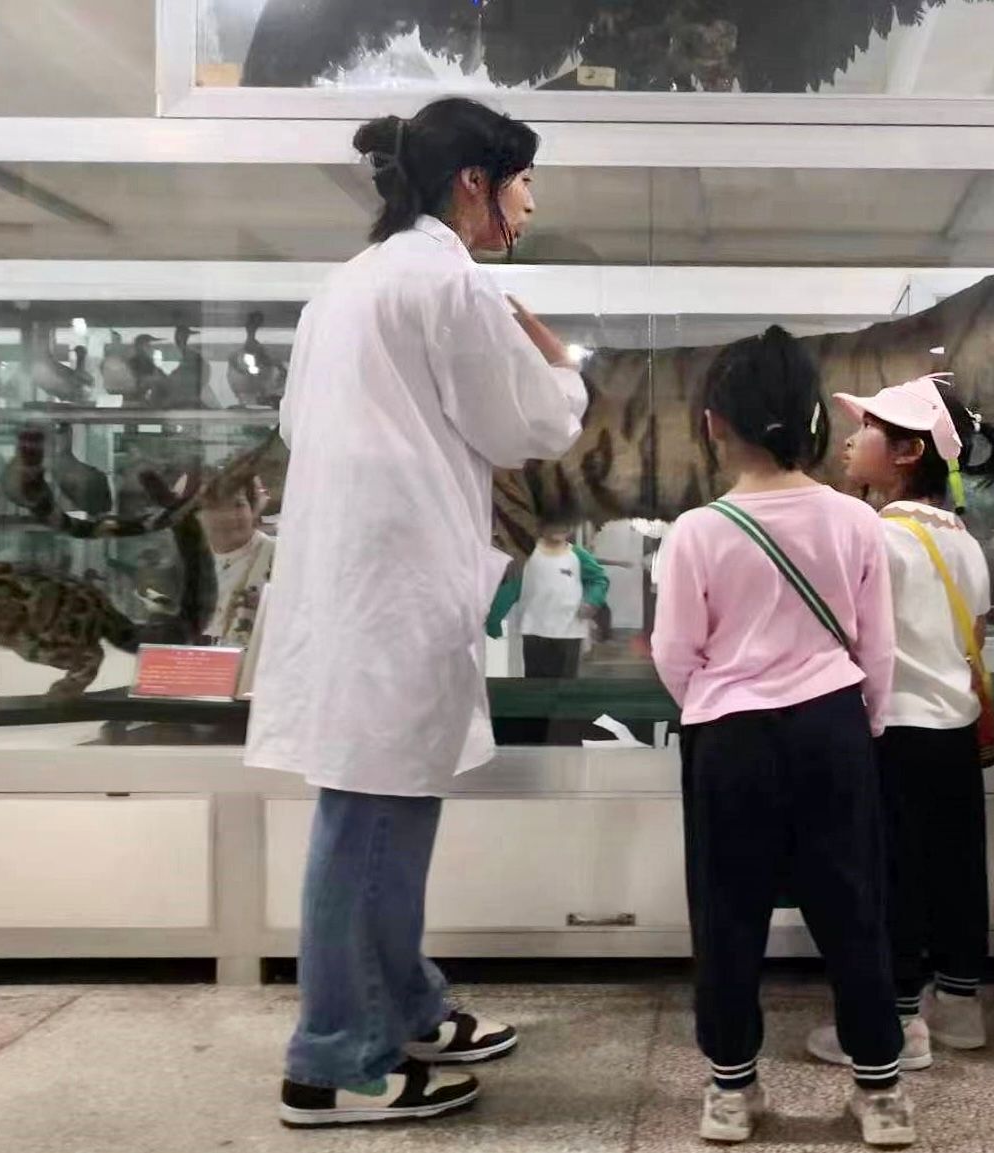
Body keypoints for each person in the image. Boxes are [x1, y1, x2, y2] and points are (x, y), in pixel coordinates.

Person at [245, 98, 588, 1128]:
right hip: (391, 591)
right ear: (474, 181)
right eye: (522, 181)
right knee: (368, 822)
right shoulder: (449, 283)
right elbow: (530, 425)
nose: (530, 204)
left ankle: (404, 1007)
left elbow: (298, 423)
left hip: (360, 586)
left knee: (387, 811)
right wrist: (562, 367)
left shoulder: (345, 287)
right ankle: (333, 1062)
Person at [652, 327, 915, 1148]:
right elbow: (878, 646)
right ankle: (880, 1092)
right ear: (813, 420)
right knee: (854, 907)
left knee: (727, 911)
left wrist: (716, 699)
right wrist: (864, 720)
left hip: (728, 737)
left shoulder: (697, 530)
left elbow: (673, 651)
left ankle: (732, 1089)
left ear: (713, 424)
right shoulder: (855, 520)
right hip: (832, 726)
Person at [806, 375, 994, 1073]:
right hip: (955, 729)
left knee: (889, 872)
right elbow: (972, 632)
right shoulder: (964, 540)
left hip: (892, 730)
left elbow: (842, 630)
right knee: (955, 867)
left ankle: (896, 1021)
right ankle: (959, 1004)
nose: (849, 440)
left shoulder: (873, 533)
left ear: (907, 451)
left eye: (866, 429)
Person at [484, 516, 610, 678]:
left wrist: (592, 601)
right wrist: (493, 620)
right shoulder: (527, 555)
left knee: (566, 682)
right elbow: (512, 588)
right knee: (536, 682)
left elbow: (598, 579)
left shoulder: (578, 556)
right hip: (534, 630)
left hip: (569, 631)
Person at [196, 473, 275, 649]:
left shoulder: (278, 558)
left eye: (239, 505)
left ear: (253, 510)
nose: (229, 516)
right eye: (216, 507)